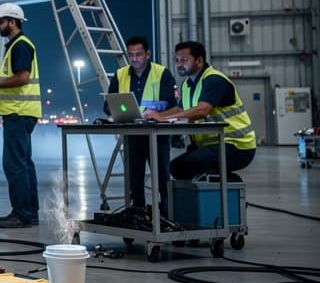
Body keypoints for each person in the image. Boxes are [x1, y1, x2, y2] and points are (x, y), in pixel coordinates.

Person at [143, 41, 256, 179]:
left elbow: (202, 111)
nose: (179, 64)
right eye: (177, 60)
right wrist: (154, 115)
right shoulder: (187, 84)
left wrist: (163, 119)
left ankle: (226, 187)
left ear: (199, 61)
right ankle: (197, 197)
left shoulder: (214, 80)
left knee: (193, 162)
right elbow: (180, 109)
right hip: (212, 144)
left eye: (184, 60)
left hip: (236, 146)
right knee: (176, 168)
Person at [0, 3, 40, 228]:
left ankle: (21, 213)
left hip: (18, 112)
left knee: (14, 165)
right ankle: (30, 213)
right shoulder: (17, 45)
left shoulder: (20, 45)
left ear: (12, 22)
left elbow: (22, 78)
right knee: (24, 163)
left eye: (1, 22)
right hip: (22, 113)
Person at [104, 36, 178, 215]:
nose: (134, 59)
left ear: (148, 54)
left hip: (157, 134)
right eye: (131, 55)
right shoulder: (120, 74)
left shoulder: (162, 73)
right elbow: (107, 104)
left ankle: (167, 215)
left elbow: (171, 103)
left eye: (138, 54)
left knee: (162, 179)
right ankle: (138, 214)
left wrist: (155, 113)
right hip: (133, 134)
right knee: (134, 180)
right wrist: (114, 114)